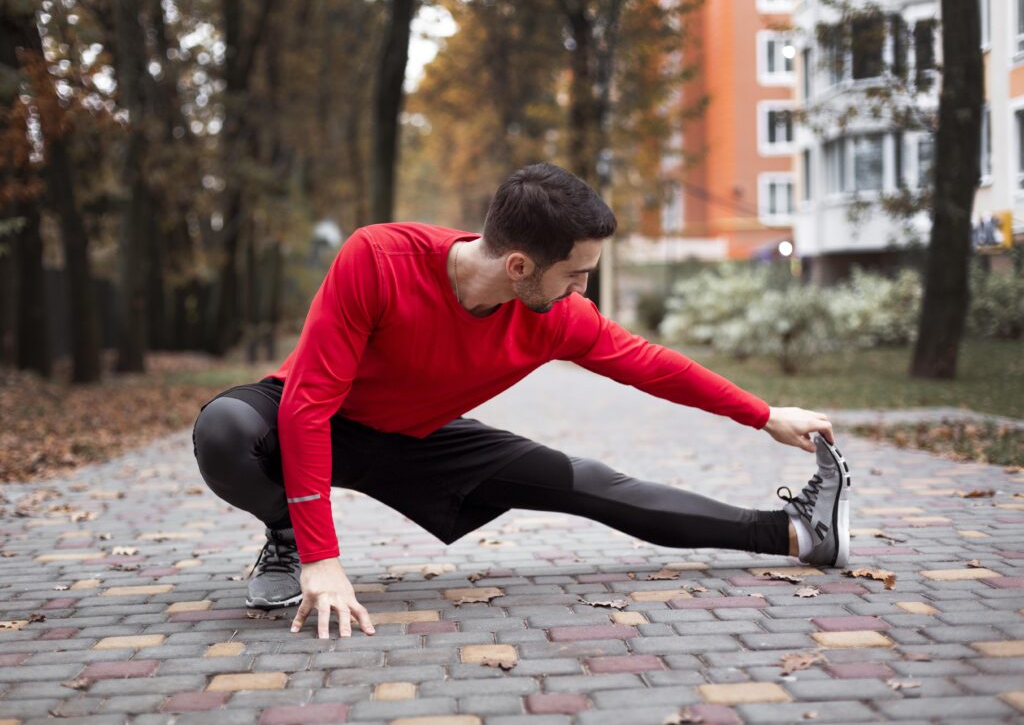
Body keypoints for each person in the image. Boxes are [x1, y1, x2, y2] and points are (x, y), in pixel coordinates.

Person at [191, 162, 852, 641]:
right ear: (519, 267)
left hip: (418, 439)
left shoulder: (556, 316)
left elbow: (653, 366)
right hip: (312, 414)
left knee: (590, 483)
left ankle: (797, 534)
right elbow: (307, 409)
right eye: (575, 274)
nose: (580, 289)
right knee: (224, 429)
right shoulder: (379, 259)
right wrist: (322, 558)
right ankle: (282, 532)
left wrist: (764, 414)